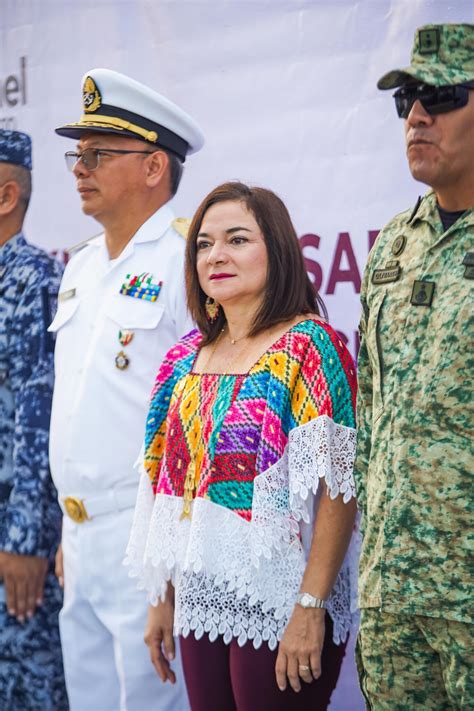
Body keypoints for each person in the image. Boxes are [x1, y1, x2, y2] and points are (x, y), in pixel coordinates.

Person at [125, 181, 359, 710]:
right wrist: (162, 598)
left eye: (236, 239)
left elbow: (341, 491)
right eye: (204, 244)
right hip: (201, 594)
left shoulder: (310, 346)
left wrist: (310, 605)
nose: (216, 255)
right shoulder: (183, 358)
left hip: (284, 597)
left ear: (275, 251)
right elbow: (165, 486)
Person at [49, 68, 204, 710]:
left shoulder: (186, 258)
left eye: (98, 154)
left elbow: (201, 419)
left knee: (151, 700)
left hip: (146, 537)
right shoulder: (83, 263)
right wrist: (69, 524)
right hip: (81, 534)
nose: (80, 168)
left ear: (153, 167)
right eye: (77, 155)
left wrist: (166, 563)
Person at [355, 23, 474, 710]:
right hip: (394, 595)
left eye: (441, 95)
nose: (418, 116)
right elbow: (373, 408)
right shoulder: (393, 245)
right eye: (406, 102)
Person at [0, 129, 67, 709]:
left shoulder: (33, 280)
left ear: (6, 196)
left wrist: (26, 537)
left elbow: (38, 414)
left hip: (11, 542)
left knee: (28, 689)